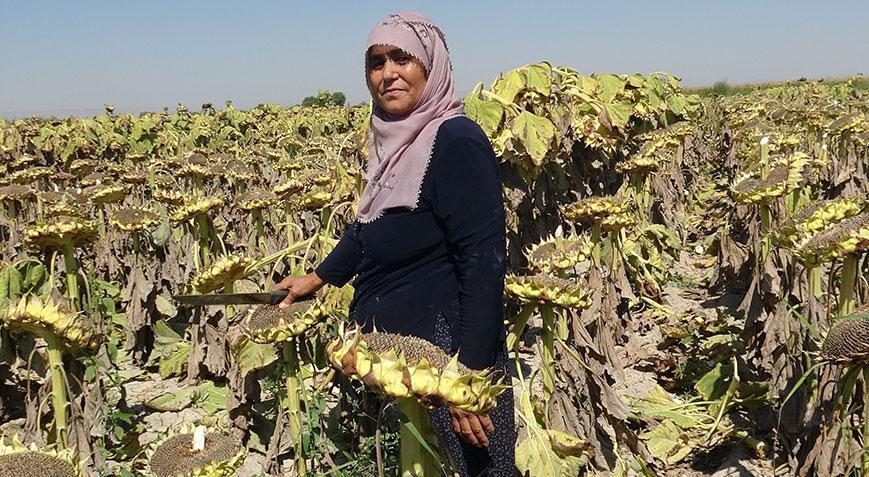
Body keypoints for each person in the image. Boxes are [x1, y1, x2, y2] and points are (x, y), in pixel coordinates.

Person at [273, 11, 515, 476]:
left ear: (431, 64)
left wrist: (469, 377)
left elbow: (484, 262)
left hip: (451, 349)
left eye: (401, 58)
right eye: (376, 62)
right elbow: (369, 229)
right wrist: (319, 278)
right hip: (407, 356)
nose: (388, 74)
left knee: (481, 469)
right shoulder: (395, 143)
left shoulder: (455, 139)